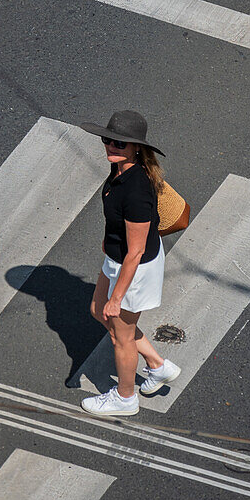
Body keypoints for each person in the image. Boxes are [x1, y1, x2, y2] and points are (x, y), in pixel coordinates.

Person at [77, 110, 180, 416]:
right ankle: (157, 365)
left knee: (120, 336)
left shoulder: (135, 191)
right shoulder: (121, 170)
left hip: (132, 269)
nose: (111, 146)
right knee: (98, 309)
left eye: (120, 143)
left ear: (137, 147)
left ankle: (124, 398)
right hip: (117, 258)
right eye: (108, 140)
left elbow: (134, 253)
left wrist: (118, 297)